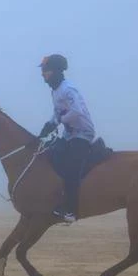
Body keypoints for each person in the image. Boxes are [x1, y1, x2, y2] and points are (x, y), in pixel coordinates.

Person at [38, 54, 95, 224]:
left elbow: (76, 111)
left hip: (82, 133)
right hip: (69, 134)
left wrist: (59, 121)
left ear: (55, 71)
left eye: (45, 70)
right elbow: (57, 113)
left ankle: (71, 210)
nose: (42, 74)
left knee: (71, 169)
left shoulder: (68, 89)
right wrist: (49, 124)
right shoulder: (55, 91)